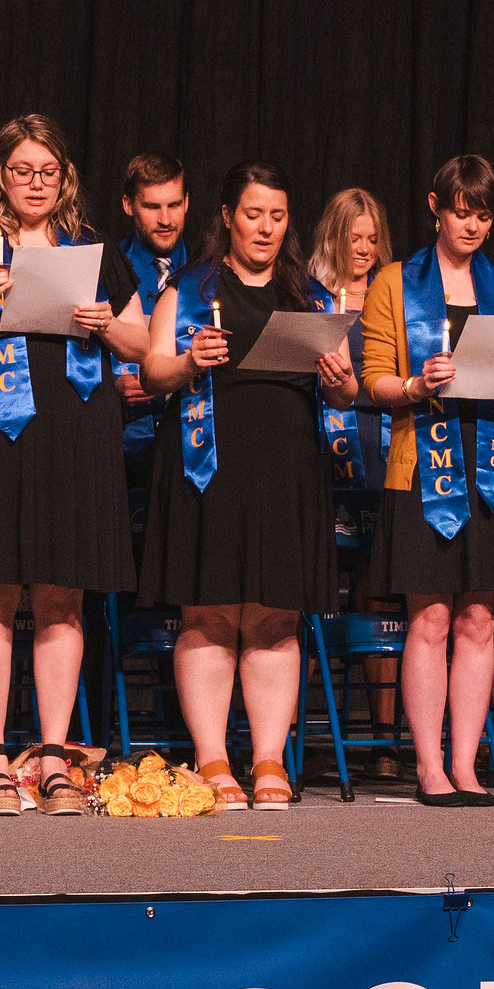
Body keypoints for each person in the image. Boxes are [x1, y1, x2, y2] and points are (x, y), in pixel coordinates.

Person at [0, 114, 138, 815]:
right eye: (22, 171)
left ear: (65, 176)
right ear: (1, 176)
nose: (35, 183)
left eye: (48, 171)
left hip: (74, 432)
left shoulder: (97, 252)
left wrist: (109, 324)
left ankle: (52, 755)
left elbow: (141, 341)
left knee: (62, 594)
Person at [134, 161, 357, 807]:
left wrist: (341, 376)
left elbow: (347, 390)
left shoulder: (309, 294)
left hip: (286, 468)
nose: (265, 227)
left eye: (277, 215)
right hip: (208, 467)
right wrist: (185, 360)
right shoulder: (191, 285)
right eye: (253, 213)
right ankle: (212, 760)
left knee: (274, 615)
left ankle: (268, 761)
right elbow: (152, 372)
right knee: (207, 614)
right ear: (229, 215)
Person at [358, 155, 494, 807]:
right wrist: (414, 384)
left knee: (479, 619)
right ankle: (429, 765)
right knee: (432, 618)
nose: (472, 225)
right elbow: (374, 377)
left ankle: (466, 763)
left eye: (484, 214)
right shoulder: (393, 281)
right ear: (437, 205)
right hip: (424, 464)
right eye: (461, 211)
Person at [306, 186, 400, 774]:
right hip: (322, 451)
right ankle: (296, 740)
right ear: (332, 237)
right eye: (353, 238)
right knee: (314, 593)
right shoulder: (307, 294)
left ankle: (385, 740)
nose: (363, 249)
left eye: (372, 238)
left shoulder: (394, 295)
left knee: (377, 591)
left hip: (383, 447)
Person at [113, 152, 191, 477]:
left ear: (187, 202)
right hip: (120, 445)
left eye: (174, 205)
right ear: (129, 205)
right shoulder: (106, 269)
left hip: (190, 445)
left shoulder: (206, 273)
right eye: (152, 207)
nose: (165, 219)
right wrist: (114, 384)